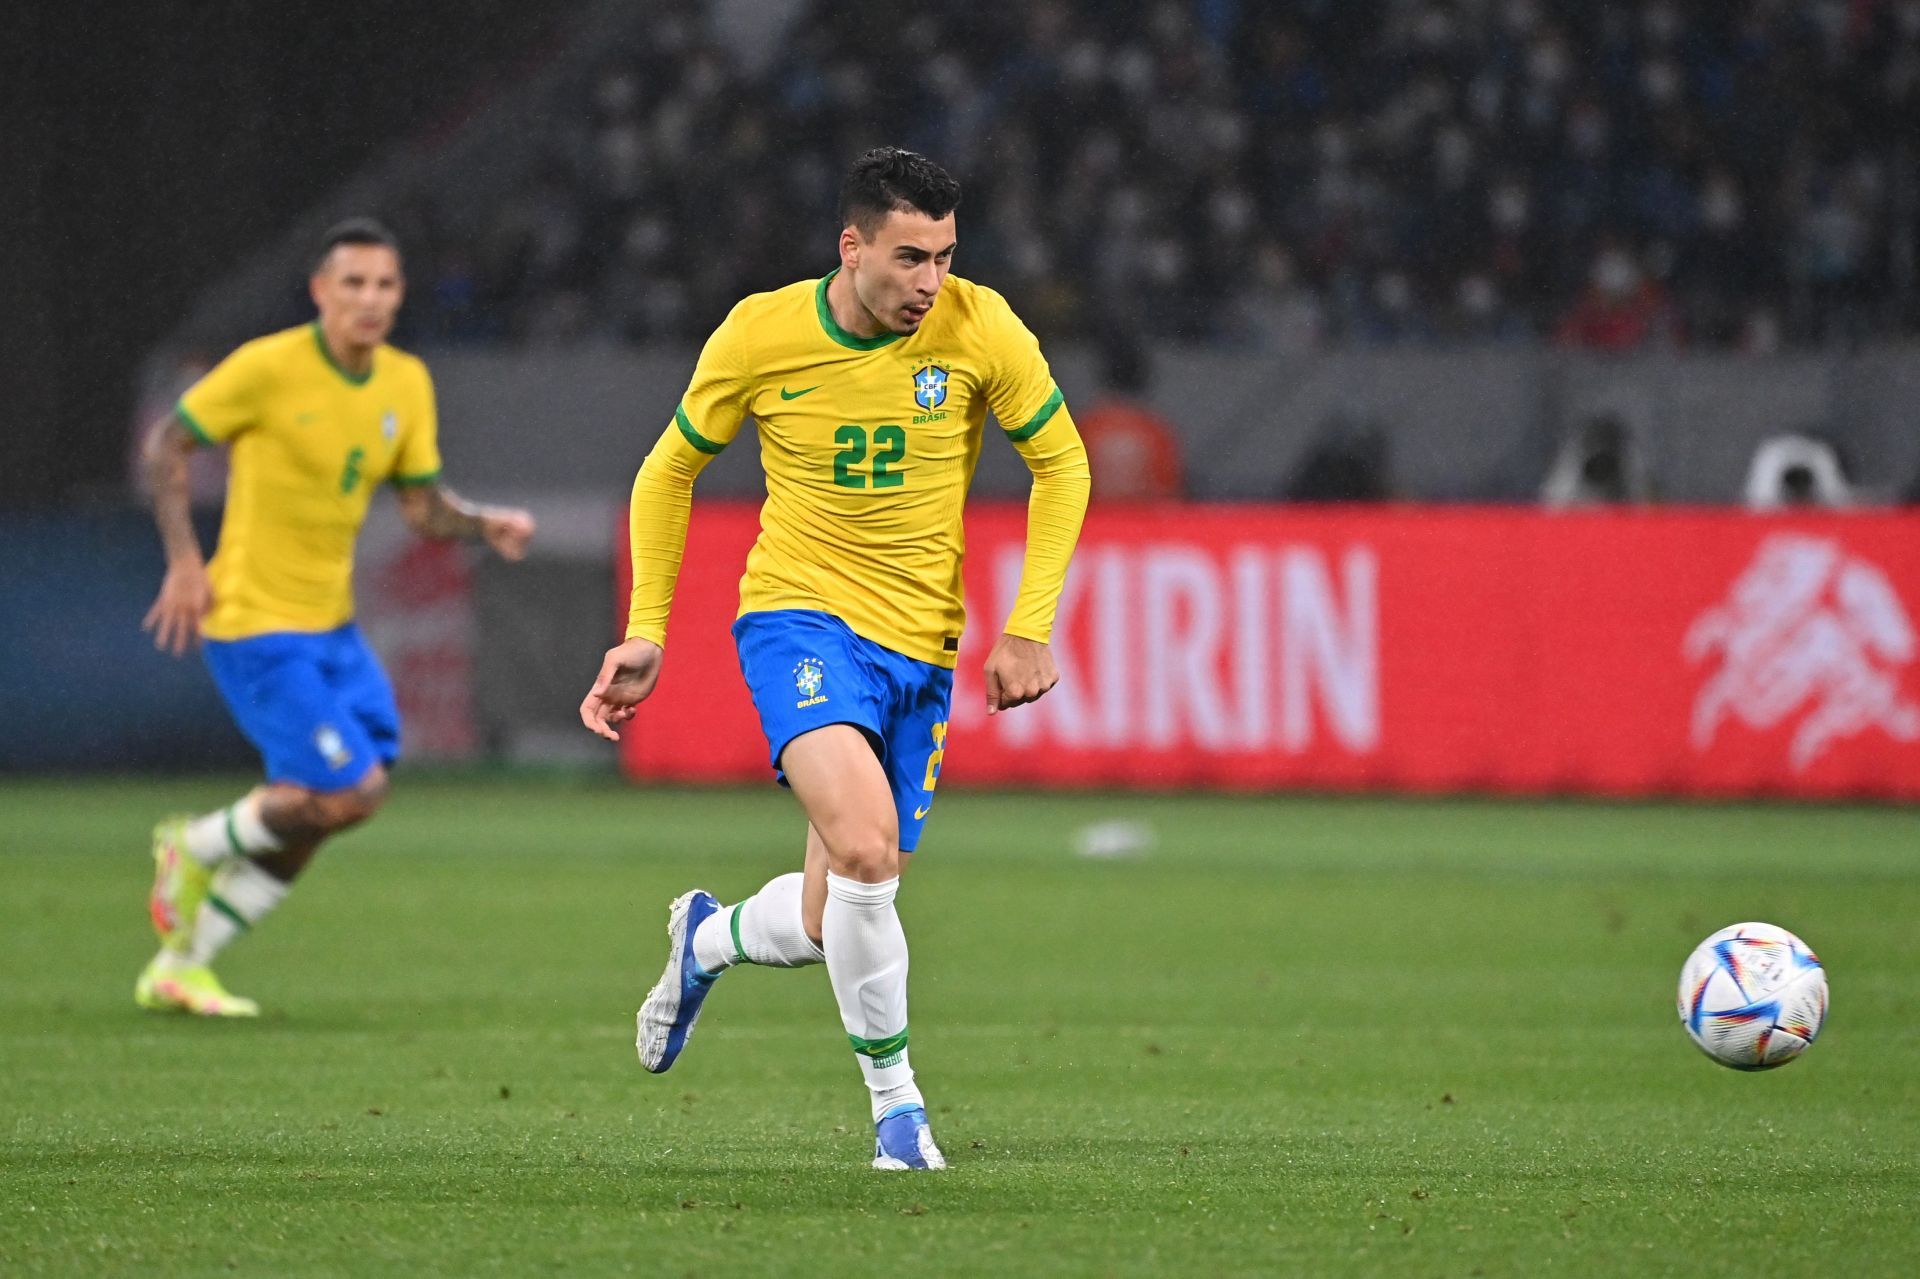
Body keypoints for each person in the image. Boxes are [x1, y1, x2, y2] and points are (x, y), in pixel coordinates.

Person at [579, 148, 1090, 1171]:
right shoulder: (761, 333)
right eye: (909, 257)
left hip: (920, 650)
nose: (930, 282)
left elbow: (1061, 460)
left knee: (827, 917)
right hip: (799, 622)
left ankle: (707, 939)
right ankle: (898, 1114)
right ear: (850, 246)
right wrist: (647, 626)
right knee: (864, 851)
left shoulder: (981, 326)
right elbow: (669, 467)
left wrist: (1030, 621)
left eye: (946, 256)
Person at [137, 218, 536, 1017]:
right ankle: (196, 843)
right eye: (353, 283)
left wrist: (480, 522)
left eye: (385, 285)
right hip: (253, 619)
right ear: (321, 291)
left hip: (333, 629)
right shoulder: (267, 367)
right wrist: (185, 559)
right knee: (346, 787)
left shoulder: (404, 383)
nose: (370, 299)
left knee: (339, 802)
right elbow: (166, 444)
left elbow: (422, 507)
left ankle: (183, 965)